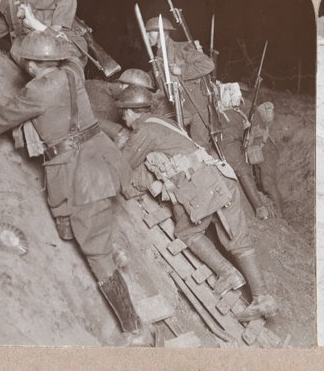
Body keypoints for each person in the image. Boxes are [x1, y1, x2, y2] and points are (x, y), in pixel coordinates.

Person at [0, 31, 144, 343]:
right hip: (103, 155)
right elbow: (76, 58)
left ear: (34, 65)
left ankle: (134, 330)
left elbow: (2, 117)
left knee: (95, 252)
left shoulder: (36, 91)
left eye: (27, 60)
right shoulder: (72, 73)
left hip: (79, 171)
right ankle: (107, 244)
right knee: (70, 227)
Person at [115, 85, 278, 321]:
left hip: (204, 189)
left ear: (132, 111)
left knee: (187, 233)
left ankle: (228, 273)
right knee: (238, 241)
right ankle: (263, 298)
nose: (123, 117)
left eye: (124, 112)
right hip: (221, 179)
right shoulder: (162, 122)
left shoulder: (145, 132)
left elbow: (122, 165)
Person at [144, 16, 215, 148]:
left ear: (162, 34)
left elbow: (208, 64)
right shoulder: (157, 59)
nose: (147, 35)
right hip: (176, 107)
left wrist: (181, 70)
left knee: (200, 146)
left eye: (150, 32)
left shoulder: (180, 49)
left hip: (196, 106)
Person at [216, 82, 270, 220]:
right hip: (231, 148)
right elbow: (245, 126)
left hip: (219, 149)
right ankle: (259, 209)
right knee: (244, 174)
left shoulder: (219, 113)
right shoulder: (237, 115)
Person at [251, 102, 284, 217]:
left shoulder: (253, 108)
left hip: (266, 148)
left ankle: (281, 217)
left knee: (268, 182)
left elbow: (269, 114)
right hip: (259, 149)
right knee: (262, 182)